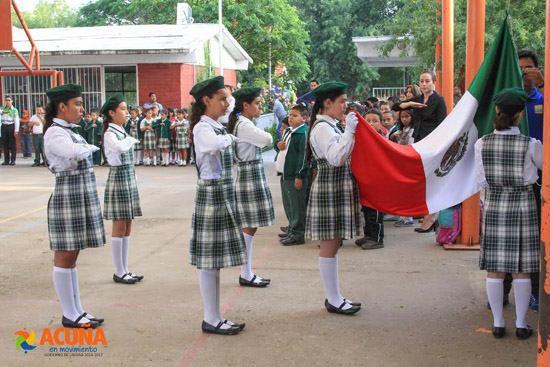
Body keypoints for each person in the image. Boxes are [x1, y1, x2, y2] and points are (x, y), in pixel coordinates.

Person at [475, 87, 541, 340]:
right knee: (522, 269)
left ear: (497, 111)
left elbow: (481, 180)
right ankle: (522, 325)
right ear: (521, 115)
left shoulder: (482, 143)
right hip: (523, 205)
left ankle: (498, 323)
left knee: (496, 268)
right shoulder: (531, 145)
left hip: (494, 206)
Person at [43, 83, 105, 329]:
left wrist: (85, 147)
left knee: (73, 256)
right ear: (62, 107)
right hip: (68, 196)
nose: (81, 108)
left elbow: (79, 149)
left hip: (78, 196)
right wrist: (87, 147)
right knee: (65, 256)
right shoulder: (55, 133)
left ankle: (77, 310)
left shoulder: (70, 129)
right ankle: (70, 313)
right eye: (77, 104)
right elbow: (72, 152)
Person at [189, 76, 246, 335]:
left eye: (227, 99)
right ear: (206, 100)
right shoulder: (204, 128)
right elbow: (211, 145)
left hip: (220, 193)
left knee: (216, 261)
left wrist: (228, 136)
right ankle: (210, 318)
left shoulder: (216, 125)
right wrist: (230, 139)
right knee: (210, 262)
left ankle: (215, 316)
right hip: (211, 194)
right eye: (221, 99)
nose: (226, 103)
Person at [306, 81, 362, 315]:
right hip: (330, 187)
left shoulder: (330, 125)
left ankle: (336, 296)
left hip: (336, 187)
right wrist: (349, 131)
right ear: (327, 103)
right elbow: (336, 158)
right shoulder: (322, 128)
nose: (345, 106)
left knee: (334, 244)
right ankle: (333, 298)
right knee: (329, 245)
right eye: (341, 102)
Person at [227, 86, 274, 287]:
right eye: (256, 103)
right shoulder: (244, 125)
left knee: (250, 225)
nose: (260, 106)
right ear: (245, 105)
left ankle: (246, 272)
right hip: (249, 176)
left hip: (250, 175)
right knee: (248, 225)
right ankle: (245, 273)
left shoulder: (242, 122)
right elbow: (268, 139)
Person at [392, 69, 447, 232]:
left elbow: (442, 123)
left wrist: (440, 144)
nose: (424, 84)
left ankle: (431, 217)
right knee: (423, 178)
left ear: (433, 82)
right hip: (419, 140)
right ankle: (427, 216)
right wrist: (410, 104)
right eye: (422, 81)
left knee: (432, 178)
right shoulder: (417, 99)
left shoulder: (439, 100)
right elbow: (395, 106)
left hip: (433, 141)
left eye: (427, 81)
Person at [101, 94, 143, 285]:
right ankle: (119, 271)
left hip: (127, 179)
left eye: (127, 109)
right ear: (112, 113)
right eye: (123, 109)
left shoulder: (122, 131)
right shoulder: (111, 134)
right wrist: (131, 141)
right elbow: (118, 148)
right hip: (118, 180)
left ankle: (125, 269)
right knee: (119, 226)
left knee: (127, 224)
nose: (127, 112)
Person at [277, 104, 309, 246]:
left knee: (297, 205)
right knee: (289, 203)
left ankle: (298, 234)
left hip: (294, 175)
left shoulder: (302, 134)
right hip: (285, 173)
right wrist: (279, 145)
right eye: (290, 115)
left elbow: (303, 156)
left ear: (304, 118)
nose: (291, 118)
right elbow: (282, 148)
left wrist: (299, 175)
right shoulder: (289, 131)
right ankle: (292, 228)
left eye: (295, 116)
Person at [355, 109, 385, 250]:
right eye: (368, 121)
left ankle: (377, 238)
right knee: (366, 210)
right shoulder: (362, 138)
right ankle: (368, 235)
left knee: (376, 212)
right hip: (365, 180)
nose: (371, 124)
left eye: (375, 121)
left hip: (378, 182)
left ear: (381, 123)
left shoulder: (382, 139)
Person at [393, 110, 416, 228]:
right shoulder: (402, 130)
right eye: (402, 117)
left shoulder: (413, 131)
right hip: (402, 163)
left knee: (407, 192)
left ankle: (408, 217)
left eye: (407, 116)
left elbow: (410, 146)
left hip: (408, 163)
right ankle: (403, 216)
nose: (404, 119)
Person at [1, 96, 19, 165]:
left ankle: (13, 160)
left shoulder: (14, 110)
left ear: (12, 101)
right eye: (6, 100)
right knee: (5, 144)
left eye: (9, 100)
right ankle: (6, 160)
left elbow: (16, 120)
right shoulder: (2, 108)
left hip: (11, 126)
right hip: (4, 126)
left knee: (12, 144)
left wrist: (16, 130)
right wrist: (3, 111)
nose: (7, 102)